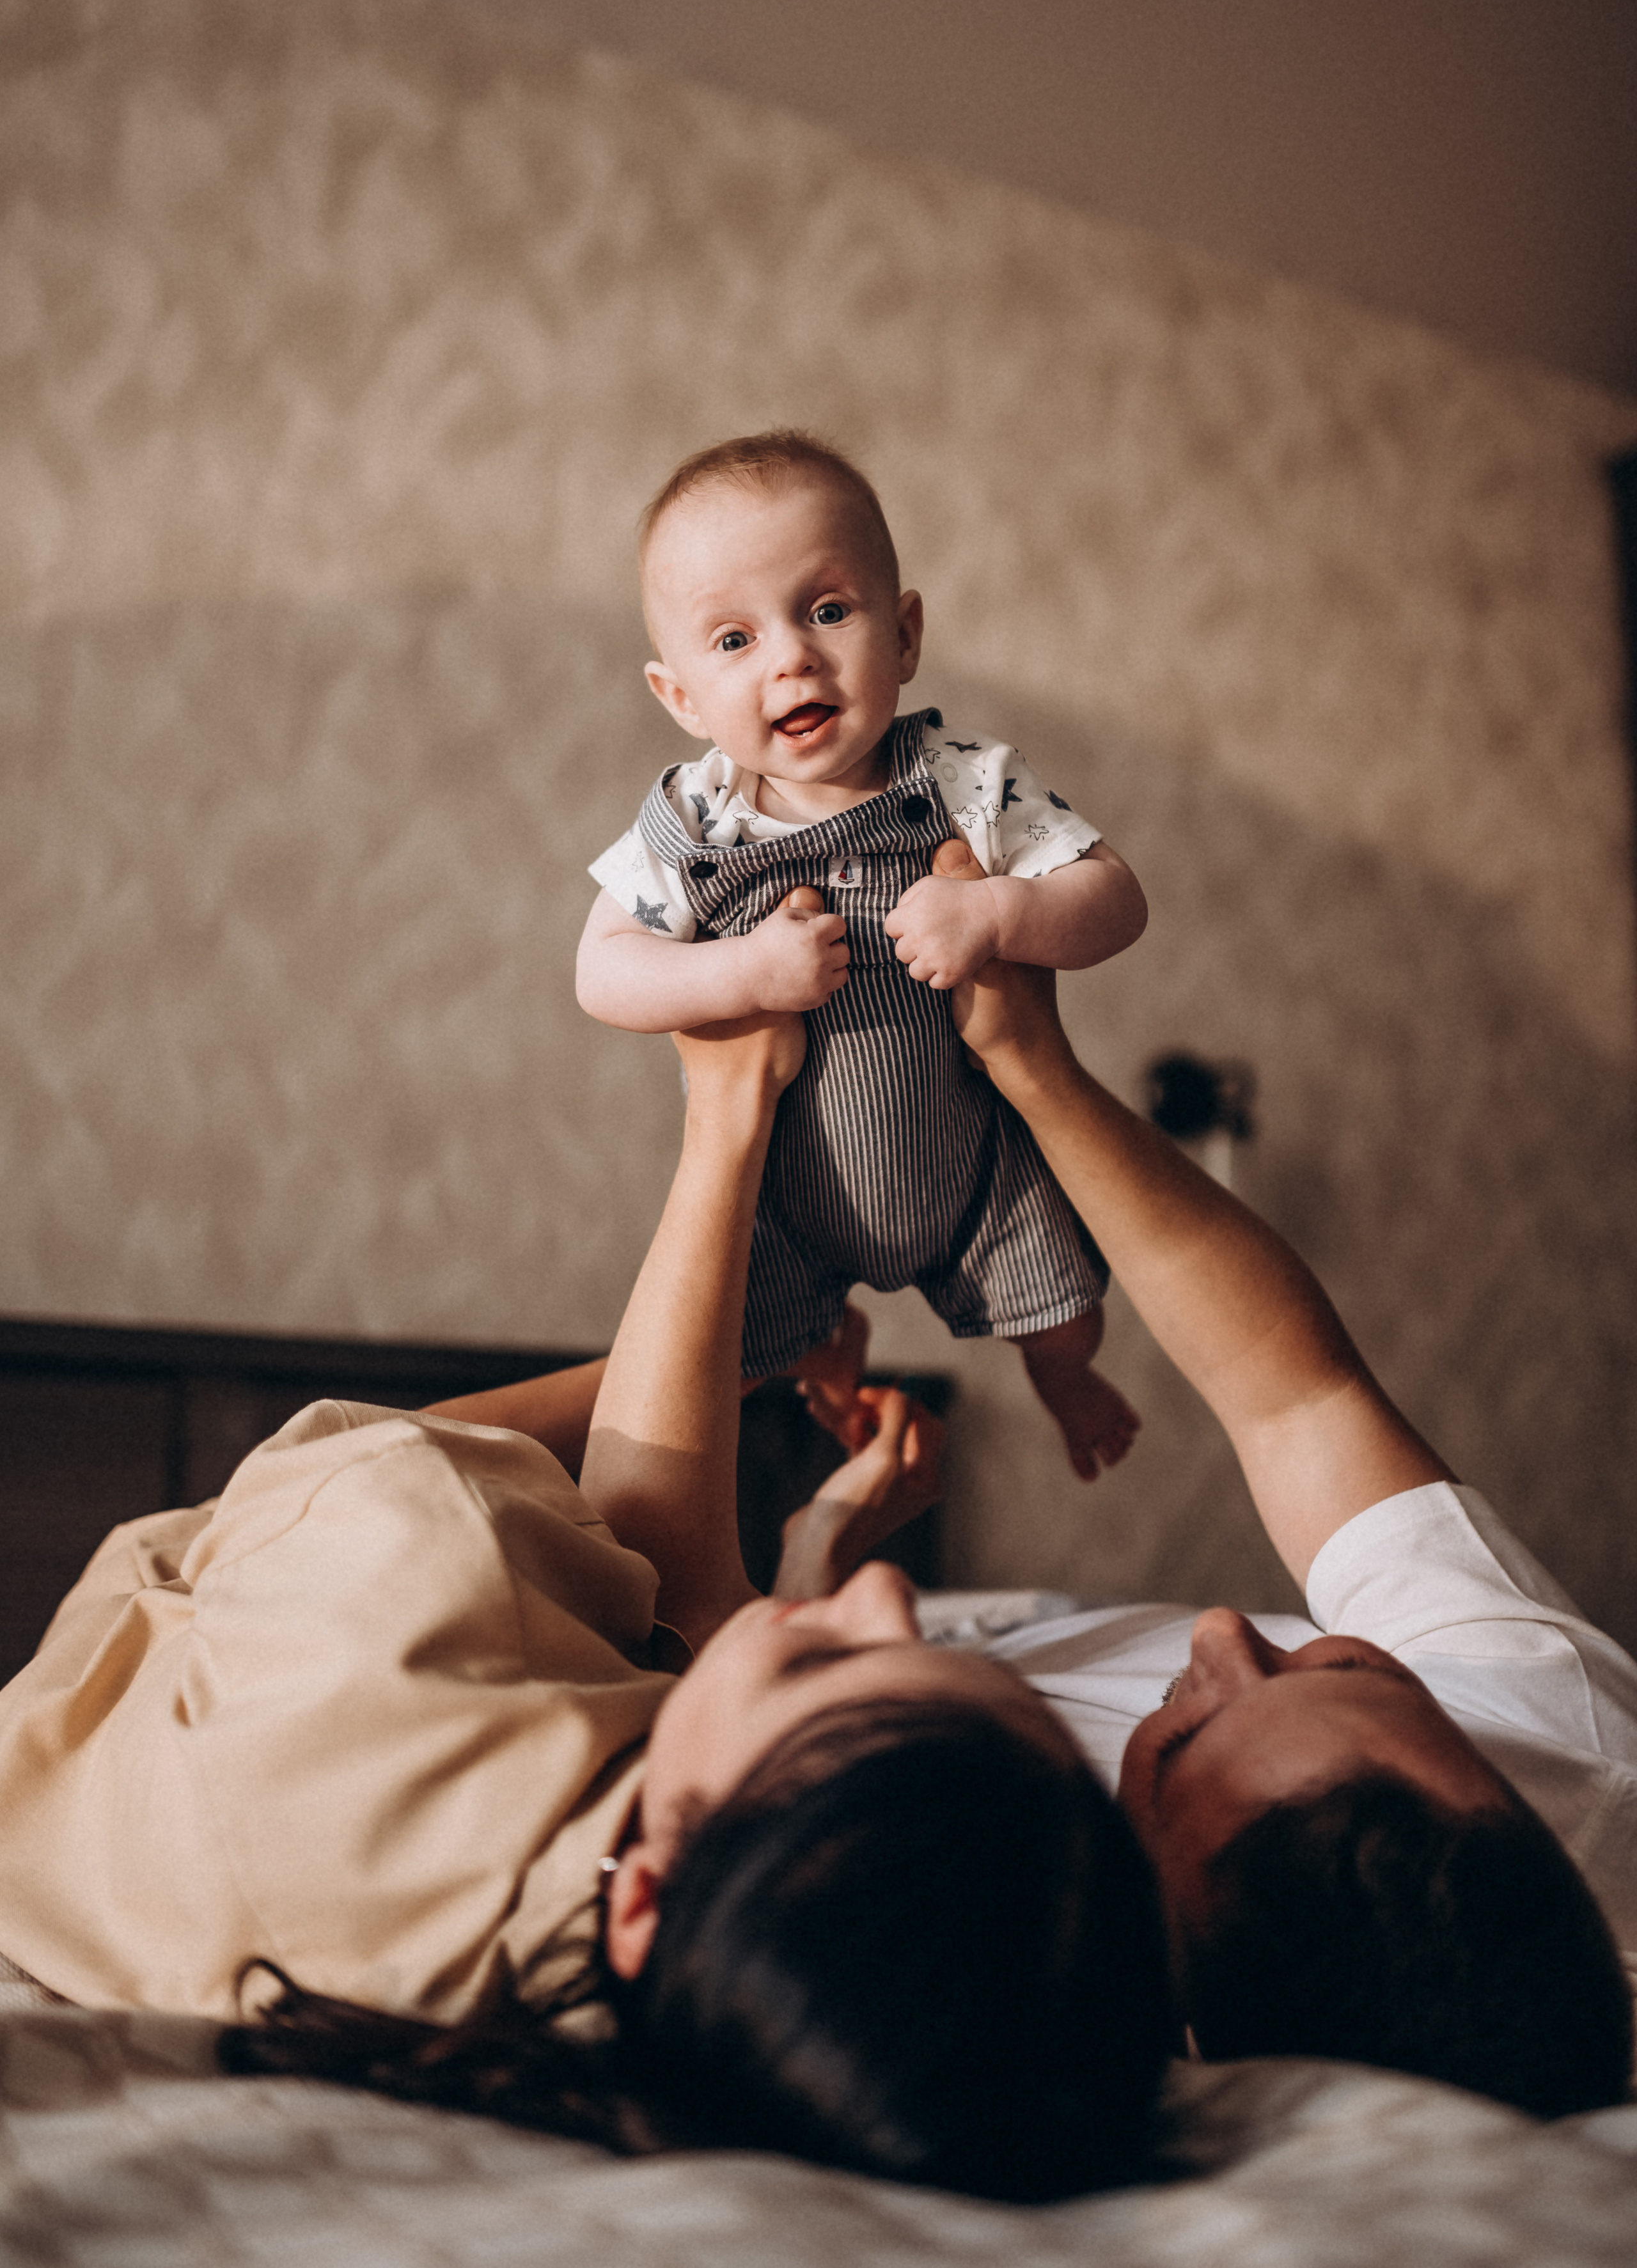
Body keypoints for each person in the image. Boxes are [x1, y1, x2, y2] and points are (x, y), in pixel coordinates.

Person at [0, 1012, 1172, 2203]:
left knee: (635, 1569)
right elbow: (721, 1703)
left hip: (148, 1638)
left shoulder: (408, 1589)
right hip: (265, 1748)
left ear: (655, 1894)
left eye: (824, 1666)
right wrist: (815, 1543)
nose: (888, 1595)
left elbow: (383, 1481)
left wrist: (730, 1151)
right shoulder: (705, 1991)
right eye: (915, 1646)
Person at [929, 907, 1636, 2119]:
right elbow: (1299, 1399)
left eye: (1188, 1742)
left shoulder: (1009, 1946)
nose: (1220, 1631)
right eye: (1351, 1667)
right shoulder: (1562, 1736)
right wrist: (1039, 1072)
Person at [577, 428, 1148, 1482]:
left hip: (973, 1166)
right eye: (734, 639)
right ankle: (831, 1372)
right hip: (786, 1195)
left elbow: (1115, 898)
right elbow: (603, 970)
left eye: (828, 611)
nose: (792, 655)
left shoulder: (969, 782)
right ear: (681, 698)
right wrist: (738, 974)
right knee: (728, 1354)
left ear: (906, 634)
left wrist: (999, 919)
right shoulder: (697, 819)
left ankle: (1064, 1382)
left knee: (1068, 1313)